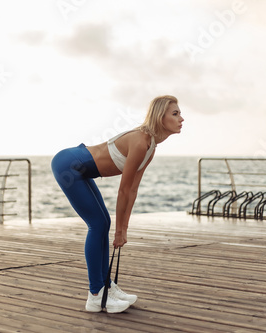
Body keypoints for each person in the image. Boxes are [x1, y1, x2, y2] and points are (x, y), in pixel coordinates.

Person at [51, 95, 184, 313]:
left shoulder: (150, 147)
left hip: (79, 169)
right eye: (175, 113)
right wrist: (119, 232)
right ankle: (95, 294)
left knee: (103, 222)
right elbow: (123, 190)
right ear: (161, 117)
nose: (181, 119)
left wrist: (124, 229)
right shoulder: (140, 142)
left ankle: (106, 287)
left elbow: (132, 190)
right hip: (68, 165)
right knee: (98, 224)